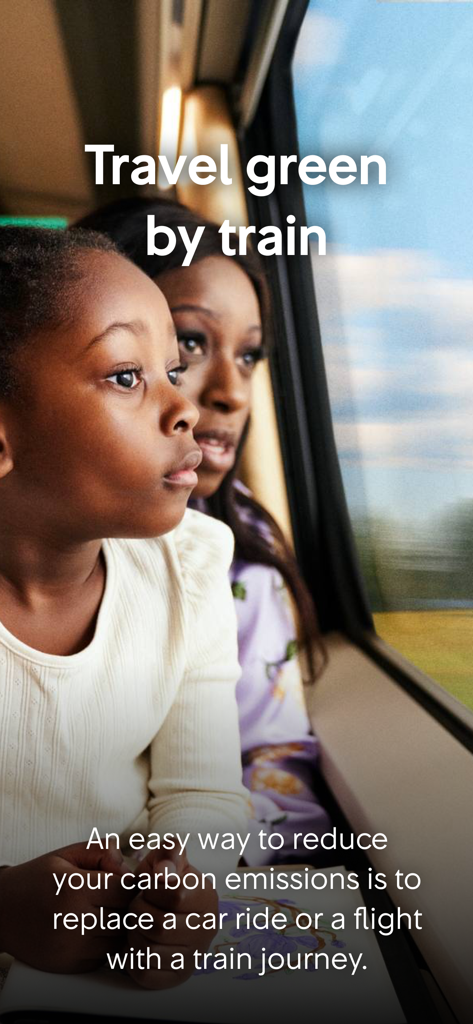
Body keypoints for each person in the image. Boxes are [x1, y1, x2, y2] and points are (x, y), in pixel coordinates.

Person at [0, 226, 248, 988]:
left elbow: (202, 791)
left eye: (172, 368)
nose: (185, 410)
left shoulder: (194, 570)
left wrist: (178, 884)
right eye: (125, 376)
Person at [75, 198, 332, 865]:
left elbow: (265, 768)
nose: (232, 392)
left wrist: (184, 870)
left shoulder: (234, 569)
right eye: (189, 342)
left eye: (249, 356)